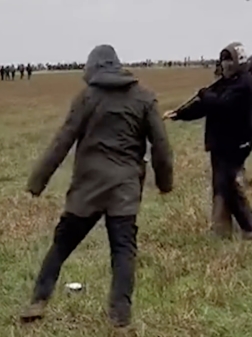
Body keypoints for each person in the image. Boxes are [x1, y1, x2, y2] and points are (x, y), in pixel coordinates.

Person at [20, 44, 173, 328]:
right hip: (124, 190)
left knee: (62, 244)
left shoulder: (87, 97)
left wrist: (37, 181)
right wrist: (165, 182)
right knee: (123, 251)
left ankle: (38, 301)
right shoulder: (144, 98)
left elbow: (62, 140)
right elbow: (161, 145)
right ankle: (120, 319)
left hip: (87, 188)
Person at [164, 42, 252, 239]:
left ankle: (247, 227)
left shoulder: (245, 83)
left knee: (229, 184)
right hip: (221, 144)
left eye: (228, 62)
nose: (225, 66)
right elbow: (204, 107)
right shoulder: (226, 83)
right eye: (223, 62)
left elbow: (222, 104)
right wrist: (179, 114)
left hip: (236, 144)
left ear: (238, 62)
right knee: (222, 185)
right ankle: (223, 229)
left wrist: (204, 94)